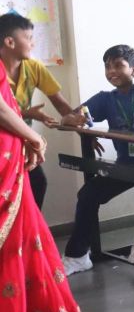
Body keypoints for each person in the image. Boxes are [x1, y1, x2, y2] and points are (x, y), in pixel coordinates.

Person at [61, 0, 134, 275]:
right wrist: (82, 125)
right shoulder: (104, 98)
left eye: (119, 65)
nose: (112, 71)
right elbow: (74, 115)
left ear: (133, 70)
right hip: (127, 165)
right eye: (108, 66)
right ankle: (78, 255)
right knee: (88, 194)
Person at [0, 62, 82, 312]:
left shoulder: (30, 67)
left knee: (26, 235)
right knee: (11, 243)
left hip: (10, 157)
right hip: (4, 160)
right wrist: (34, 137)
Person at [0, 10, 78, 208]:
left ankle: (30, 233)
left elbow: (60, 103)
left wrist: (76, 123)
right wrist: (27, 115)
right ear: (10, 42)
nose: (33, 43)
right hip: (6, 141)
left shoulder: (33, 67)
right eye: (28, 38)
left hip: (21, 140)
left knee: (36, 183)